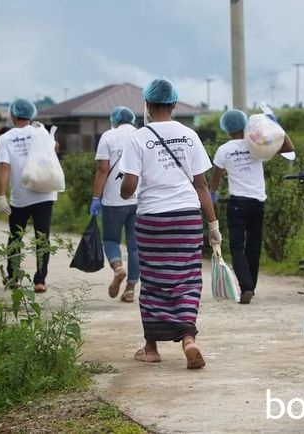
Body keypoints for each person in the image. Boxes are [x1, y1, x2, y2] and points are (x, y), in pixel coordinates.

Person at [119, 78, 221, 369]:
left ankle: (151, 347)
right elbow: (201, 184)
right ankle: (188, 338)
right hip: (187, 216)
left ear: (148, 106)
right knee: (187, 277)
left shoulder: (138, 138)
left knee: (153, 280)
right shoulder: (189, 135)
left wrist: (125, 190)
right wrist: (213, 225)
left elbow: (129, 186)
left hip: (152, 219)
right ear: (174, 105)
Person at [208, 109, 295, 304]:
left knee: (237, 247)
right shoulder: (257, 143)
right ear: (244, 124)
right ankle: (251, 288)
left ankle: (246, 286)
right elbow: (289, 148)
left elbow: (216, 178)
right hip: (258, 203)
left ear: (227, 129)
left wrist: (212, 194)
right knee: (254, 247)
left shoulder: (224, 149)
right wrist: (276, 127)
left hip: (237, 204)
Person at [0, 98, 57, 293]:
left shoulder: (6, 138)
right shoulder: (40, 131)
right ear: (32, 115)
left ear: (12, 115)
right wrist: (42, 133)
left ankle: (13, 278)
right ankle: (40, 281)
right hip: (45, 194)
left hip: (20, 197)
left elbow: (4, 167)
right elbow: (54, 149)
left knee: (15, 237)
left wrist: (1, 195)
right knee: (42, 237)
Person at [90, 106, 139, 302]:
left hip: (113, 200)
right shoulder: (141, 135)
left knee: (110, 240)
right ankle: (130, 289)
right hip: (139, 199)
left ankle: (119, 268)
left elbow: (103, 170)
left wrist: (96, 198)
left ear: (114, 120)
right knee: (135, 247)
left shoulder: (108, 137)